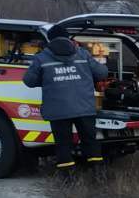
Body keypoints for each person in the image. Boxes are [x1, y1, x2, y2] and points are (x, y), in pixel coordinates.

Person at [23, 34, 108, 173]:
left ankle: (68, 179)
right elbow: (102, 73)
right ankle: (98, 174)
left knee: (63, 145)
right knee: (90, 141)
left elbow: (29, 81)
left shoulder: (42, 58)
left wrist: (46, 79)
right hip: (84, 107)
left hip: (58, 110)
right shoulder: (82, 54)